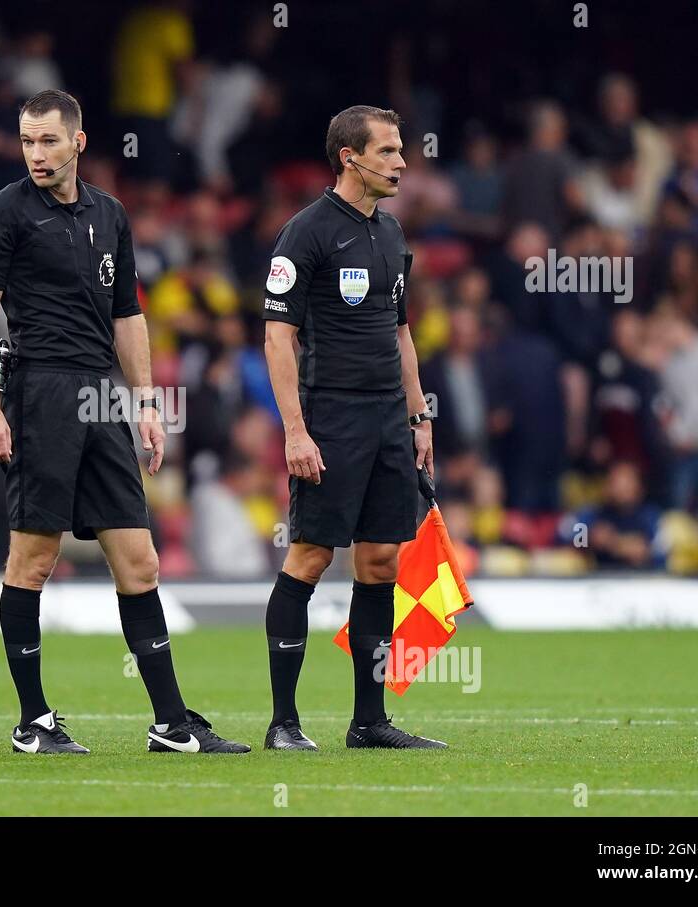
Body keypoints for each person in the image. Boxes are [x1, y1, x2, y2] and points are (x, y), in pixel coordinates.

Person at [0, 89, 248, 755]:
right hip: (40, 392)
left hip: (102, 396)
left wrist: (146, 400)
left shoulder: (109, 215)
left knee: (141, 561)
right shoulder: (4, 214)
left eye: (48, 141)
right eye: (28, 142)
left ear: (79, 142)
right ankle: (33, 721)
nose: (36, 154)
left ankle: (171, 722)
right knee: (34, 557)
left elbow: (128, 315)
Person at [261, 105, 446, 751]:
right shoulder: (306, 233)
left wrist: (419, 415)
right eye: (390, 151)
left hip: (388, 420)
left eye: (400, 150)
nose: (401, 162)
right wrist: (295, 429)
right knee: (310, 554)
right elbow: (278, 338)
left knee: (380, 559)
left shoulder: (391, 233)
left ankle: (368, 722)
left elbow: (401, 334)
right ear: (350, 157)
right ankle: (283, 721)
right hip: (330, 415)